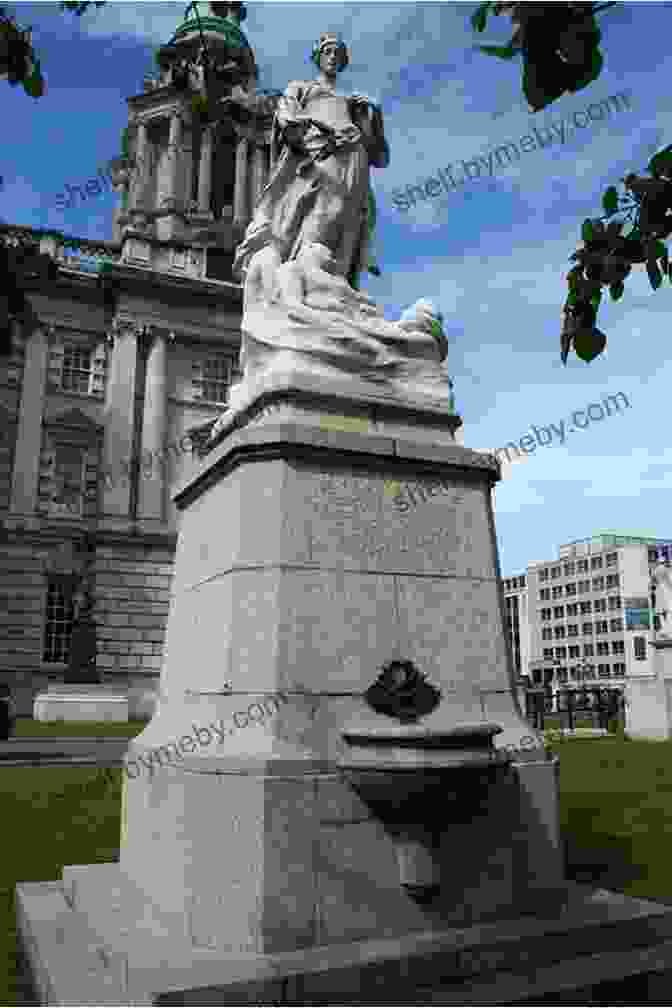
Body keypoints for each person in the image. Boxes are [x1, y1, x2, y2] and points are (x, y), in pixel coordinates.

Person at [233, 32, 389, 292]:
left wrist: (377, 115)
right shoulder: (301, 87)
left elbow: (380, 156)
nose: (332, 57)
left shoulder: (353, 103)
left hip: (354, 160)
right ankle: (305, 278)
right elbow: (287, 116)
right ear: (318, 57)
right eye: (328, 51)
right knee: (323, 213)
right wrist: (319, 127)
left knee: (349, 221)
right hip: (320, 156)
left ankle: (339, 284)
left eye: (338, 54)